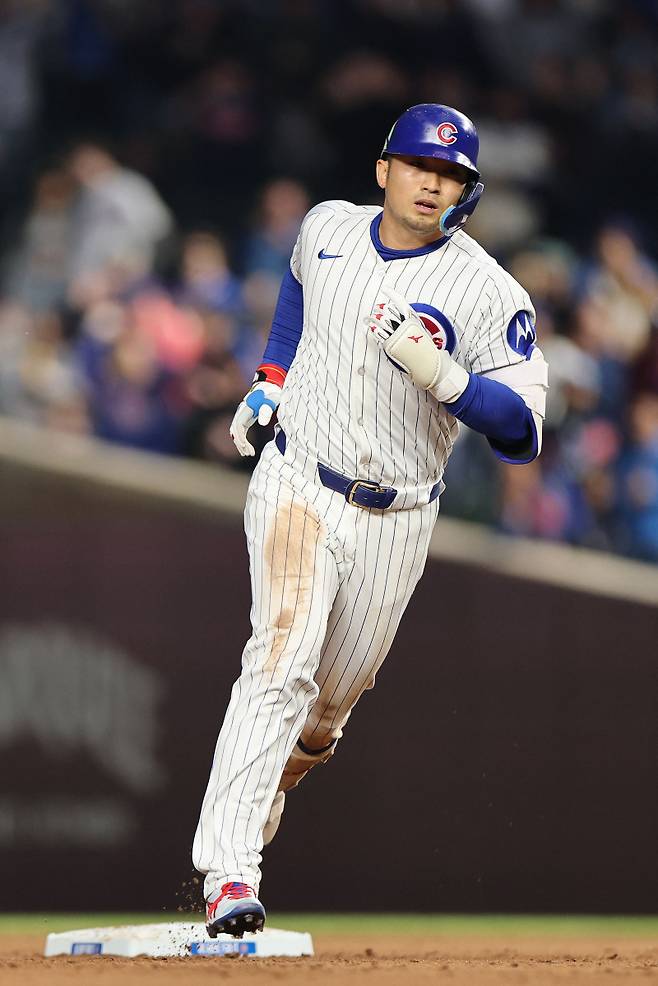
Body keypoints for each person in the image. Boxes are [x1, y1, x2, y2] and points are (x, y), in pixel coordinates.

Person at [192, 104, 549, 937]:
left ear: (467, 191)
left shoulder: (488, 290)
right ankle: (228, 874)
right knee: (280, 656)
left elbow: (525, 432)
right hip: (297, 484)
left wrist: (450, 380)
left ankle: (267, 785)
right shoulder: (326, 229)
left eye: (453, 175)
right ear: (385, 168)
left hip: (397, 518)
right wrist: (269, 379)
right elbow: (296, 289)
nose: (435, 183)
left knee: (322, 715)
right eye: (422, 165)